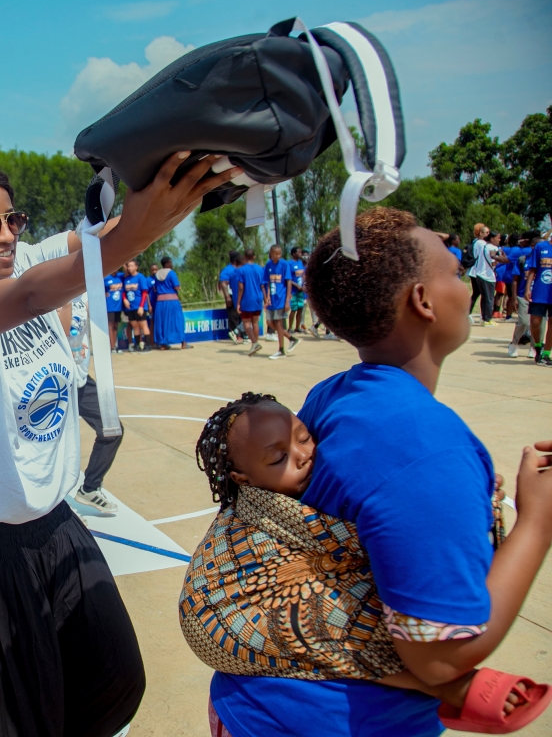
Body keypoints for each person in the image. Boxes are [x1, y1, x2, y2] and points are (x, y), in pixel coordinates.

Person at [0, 156, 241, 737]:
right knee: (16, 720)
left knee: (115, 677)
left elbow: (101, 238)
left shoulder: (25, 257)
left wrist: (185, 188)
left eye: (14, 219)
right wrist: (140, 223)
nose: (7, 234)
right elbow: (37, 294)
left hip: (54, 520)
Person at [207, 206, 552, 737]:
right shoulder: (428, 449)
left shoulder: (334, 394)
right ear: (423, 301)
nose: (465, 285)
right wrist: (537, 522)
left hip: (253, 704)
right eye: (456, 273)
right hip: (332, 721)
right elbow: (437, 659)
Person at [58, 294, 122, 514]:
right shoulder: (58, 288)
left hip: (81, 378)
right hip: (59, 379)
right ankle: (55, 509)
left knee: (112, 431)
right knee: (57, 446)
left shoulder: (87, 290)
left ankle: (90, 488)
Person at [262, 244, 300, 360]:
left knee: (278, 322)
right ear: (271, 254)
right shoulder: (268, 265)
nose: (278, 256)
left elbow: (288, 282)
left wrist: (288, 300)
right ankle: (291, 338)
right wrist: (266, 297)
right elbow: (266, 283)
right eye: (276, 254)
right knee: (269, 322)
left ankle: (281, 349)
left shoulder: (285, 264)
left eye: (280, 254)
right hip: (271, 299)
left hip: (281, 298)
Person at [467, 223, 508, 326]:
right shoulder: (488, 246)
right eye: (497, 238)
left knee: (482, 296)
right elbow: (497, 260)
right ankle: (486, 318)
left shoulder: (480, 244)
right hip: (485, 274)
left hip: (478, 272)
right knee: (488, 297)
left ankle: (483, 316)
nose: (499, 240)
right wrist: (499, 256)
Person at [525, 229, 552, 366]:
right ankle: (537, 346)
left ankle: (547, 354)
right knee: (535, 322)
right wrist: (528, 288)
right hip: (540, 291)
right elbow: (532, 269)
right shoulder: (541, 247)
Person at [153, 257, 189, 350]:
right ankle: (183, 343)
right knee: (177, 321)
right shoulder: (171, 273)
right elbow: (177, 287)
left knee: (162, 322)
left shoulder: (157, 274)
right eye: (171, 262)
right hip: (172, 301)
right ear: (167, 263)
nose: (172, 264)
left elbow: (155, 289)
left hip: (160, 302)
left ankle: (163, 344)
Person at [235, 249, 265, 356]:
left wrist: (238, 302)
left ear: (244, 257)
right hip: (258, 297)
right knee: (255, 322)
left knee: (246, 323)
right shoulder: (260, 269)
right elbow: (263, 285)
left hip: (247, 298)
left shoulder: (241, 270)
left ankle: (255, 343)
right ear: (254, 257)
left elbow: (241, 288)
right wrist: (265, 298)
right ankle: (254, 344)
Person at [122, 260, 150, 352]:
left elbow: (145, 292)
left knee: (143, 325)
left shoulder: (140, 277)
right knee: (135, 326)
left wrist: (141, 306)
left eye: (132, 266)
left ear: (136, 267)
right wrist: (125, 299)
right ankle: (138, 345)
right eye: (128, 266)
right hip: (130, 307)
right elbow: (123, 291)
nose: (130, 268)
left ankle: (148, 345)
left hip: (139, 306)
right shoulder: (126, 279)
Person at [219, 252, 243, 344]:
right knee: (233, 316)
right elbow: (223, 283)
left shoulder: (238, 269)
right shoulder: (227, 270)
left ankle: (242, 335)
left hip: (239, 295)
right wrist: (227, 297)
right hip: (232, 296)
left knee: (241, 316)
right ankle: (236, 335)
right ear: (236, 260)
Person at [288, 246, 308, 333]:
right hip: (293, 291)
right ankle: (290, 328)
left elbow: (303, 275)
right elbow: (288, 279)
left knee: (300, 308)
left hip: (301, 291)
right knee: (293, 309)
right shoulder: (290, 264)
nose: (301, 254)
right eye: (299, 252)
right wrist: (296, 286)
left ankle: (297, 327)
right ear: (293, 254)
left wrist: (304, 285)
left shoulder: (301, 263)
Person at [104, 270, 124, 353]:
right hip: (110, 306)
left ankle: (115, 345)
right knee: (111, 326)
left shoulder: (120, 276)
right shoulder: (106, 277)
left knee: (115, 325)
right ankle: (112, 347)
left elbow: (126, 270)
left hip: (118, 306)